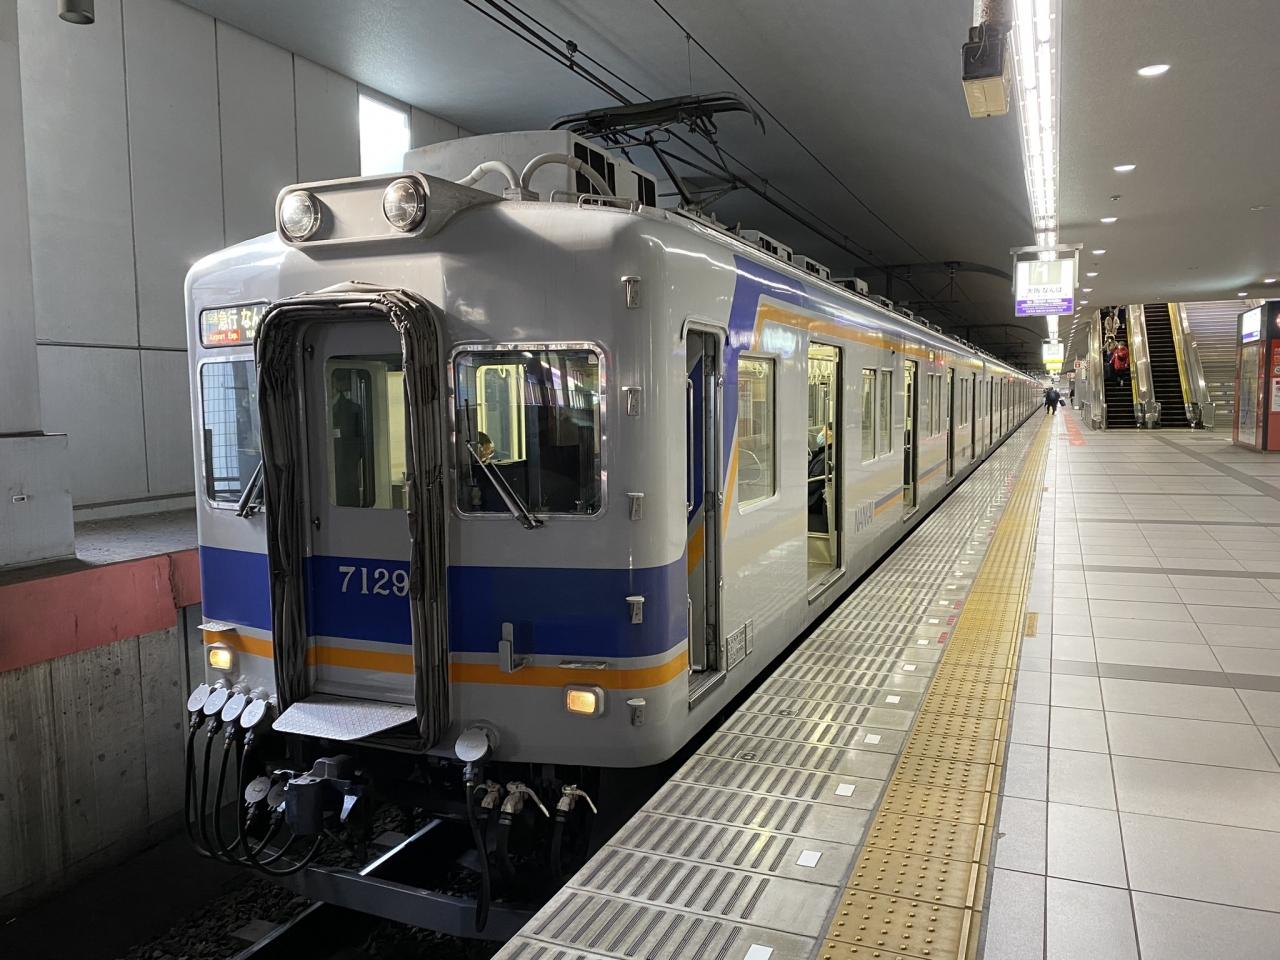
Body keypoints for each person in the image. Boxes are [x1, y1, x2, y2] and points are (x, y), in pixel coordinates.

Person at [807, 422, 832, 533]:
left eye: (823, 431)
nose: (820, 434)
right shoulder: (827, 452)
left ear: (830, 433)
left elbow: (811, 486)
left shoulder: (827, 456)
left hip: (814, 500)